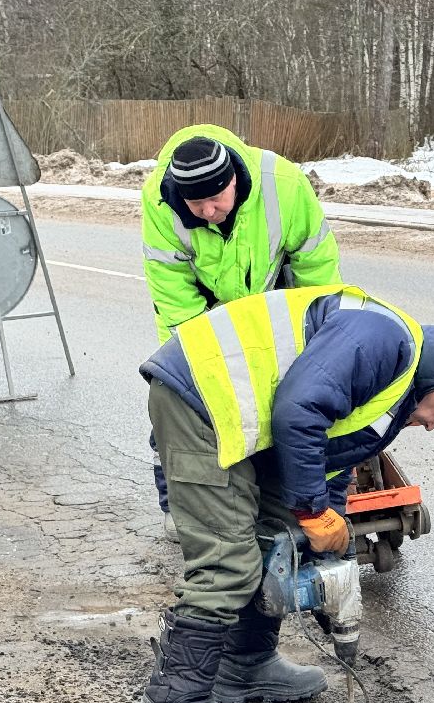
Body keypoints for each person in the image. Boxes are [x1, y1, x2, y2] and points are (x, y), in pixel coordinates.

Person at [134, 282, 434, 703]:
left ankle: (246, 661)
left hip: (236, 411)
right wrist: (312, 509)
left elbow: (331, 460)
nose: (430, 427)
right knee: (227, 560)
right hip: (199, 398)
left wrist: (332, 543)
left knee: (280, 539)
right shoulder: (385, 341)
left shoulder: (395, 395)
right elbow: (299, 410)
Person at [142, 125, 341, 540]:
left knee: (288, 397)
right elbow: (174, 296)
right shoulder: (160, 203)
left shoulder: (284, 185)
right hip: (205, 306)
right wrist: (202, 372)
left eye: (216, 199)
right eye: (196, 204)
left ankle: (274, 489)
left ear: (234, 179)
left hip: (274, 299)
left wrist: (321, 343)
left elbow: (317, 271)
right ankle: (178, 504)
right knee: (185, 401)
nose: (209, 212)